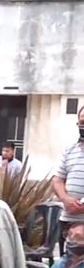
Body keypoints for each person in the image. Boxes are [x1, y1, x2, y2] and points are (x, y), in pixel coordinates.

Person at [53, 106, 84, 250]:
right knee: (68, 267)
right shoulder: (69, 150)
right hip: (68, 221)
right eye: (82, 122)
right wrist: (65, 198)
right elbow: (58, 180)